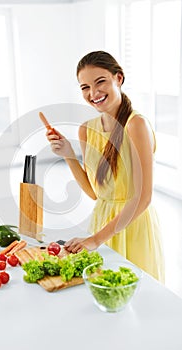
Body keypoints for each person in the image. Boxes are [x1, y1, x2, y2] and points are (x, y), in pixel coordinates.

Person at [46, 50, 164, 282]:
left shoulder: (136, 124)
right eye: (85, 87)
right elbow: (95, 193)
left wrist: (95, 239)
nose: (94, 93)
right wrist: (68, 154)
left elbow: (143, 198)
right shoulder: (86, 130)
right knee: (105, 294)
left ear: (118, 78)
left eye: (100, 82)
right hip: (101, 222)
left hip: (133, 225)